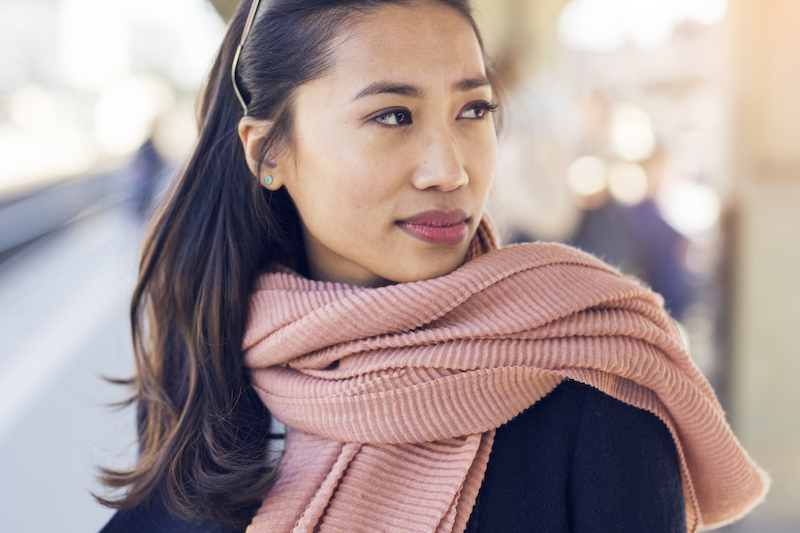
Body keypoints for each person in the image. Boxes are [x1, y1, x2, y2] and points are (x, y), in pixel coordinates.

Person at [97, 1, 768, 532]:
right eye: (393, 115)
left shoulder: (597, 380)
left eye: (473, 109)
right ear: (269, 151)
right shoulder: (207, 371)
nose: (451, 169)